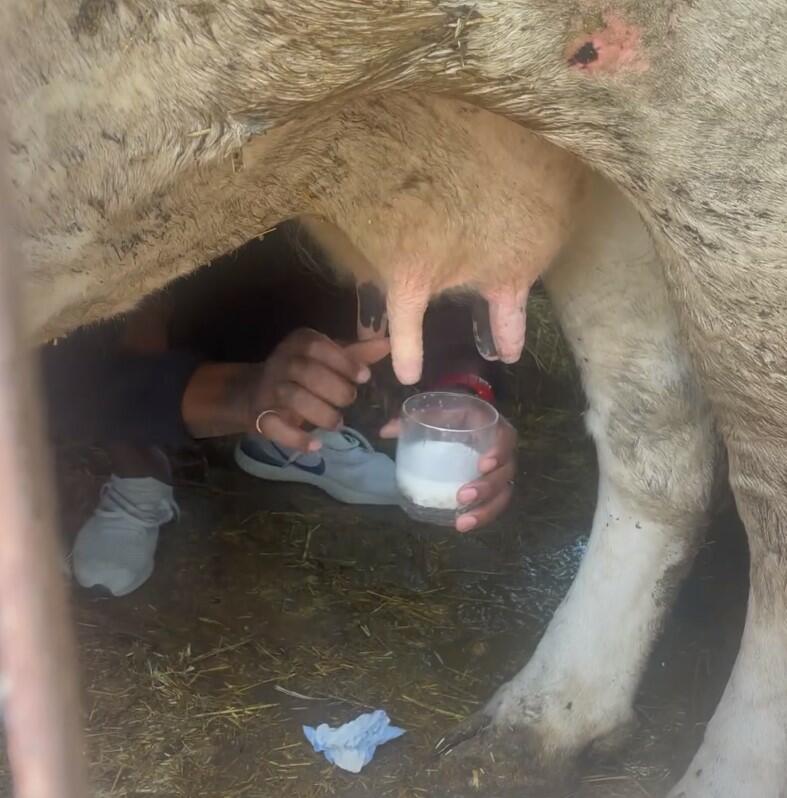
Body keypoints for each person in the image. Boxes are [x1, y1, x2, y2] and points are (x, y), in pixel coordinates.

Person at [41, 229, 516, 597]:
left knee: (362, 239)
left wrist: (461, 388)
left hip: (288, 248)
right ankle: (139, 467)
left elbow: (443, 243)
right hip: (147, 278)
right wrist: (242, 394)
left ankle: (297, 431)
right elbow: (45, 370)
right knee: (125, 271)